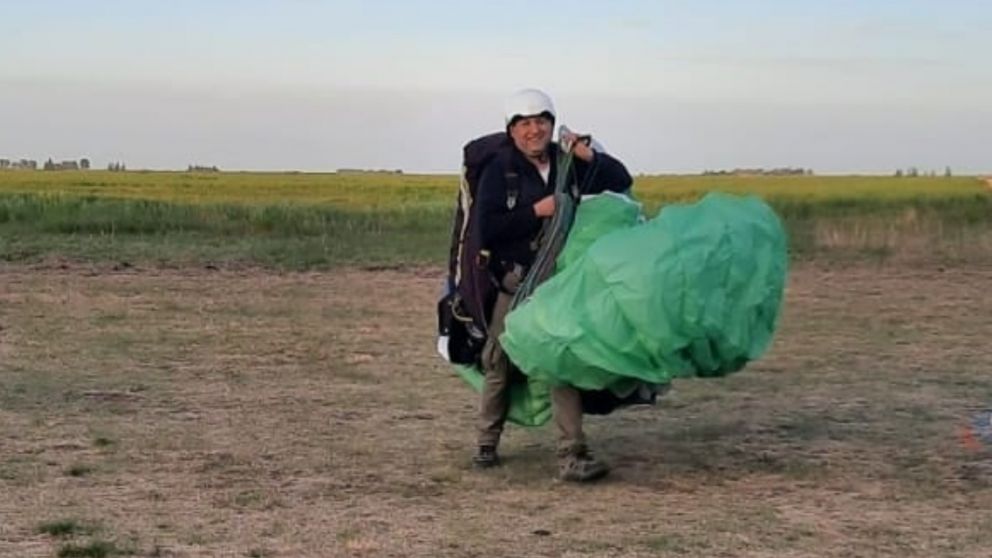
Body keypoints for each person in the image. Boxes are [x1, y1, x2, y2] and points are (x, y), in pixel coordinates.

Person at [472, 88, 633, 482]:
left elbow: (621, 180)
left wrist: (587, 156)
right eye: (524, 124)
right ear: (512, 131)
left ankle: (572, 455)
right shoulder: (500, 171)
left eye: (541, 122)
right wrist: (535, 212)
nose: (534, 130)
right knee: (500, 364)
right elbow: (487, 229)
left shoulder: (567, 164)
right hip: (515, 283)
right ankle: (486, 444)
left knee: (560, 364)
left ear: (551, 124)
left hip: (557, 287)